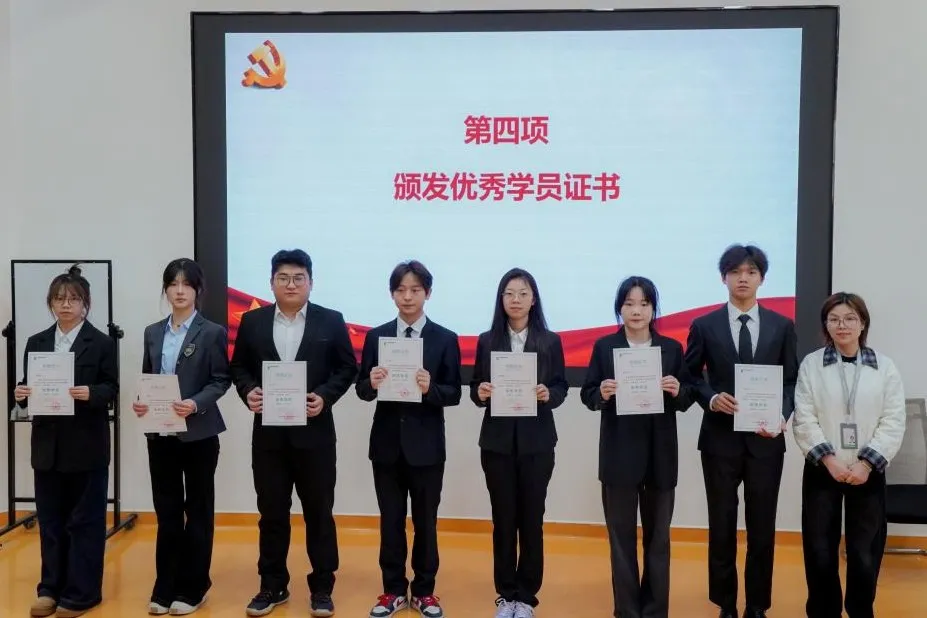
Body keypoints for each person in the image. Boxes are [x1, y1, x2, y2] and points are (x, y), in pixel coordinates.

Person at [230, 249, 358, 618]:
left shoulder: (330, 321)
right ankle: (272, 585)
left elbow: (347, 368)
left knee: (319, 512)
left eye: (298, 278)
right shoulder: (252, 321)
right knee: (271, 513)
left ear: (310, 283)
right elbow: (239, 367)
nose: (291, 284)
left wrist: (325, 397)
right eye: (283, 278)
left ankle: (322, 587)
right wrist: (248, 391)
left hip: (315, 437)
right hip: (269, 438)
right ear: (271, 283)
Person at [683, 244, 798, 618]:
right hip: (719, 441)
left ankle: (757, 605)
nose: (742, 278)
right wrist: (712, 398)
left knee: (762, 528)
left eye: (750, 272)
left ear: (762, 278)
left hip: (766, 441)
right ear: (724, 278)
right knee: (721, 525)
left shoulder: (782, 325)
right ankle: (726, 604)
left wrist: (782, 414)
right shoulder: (705, 325)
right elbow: (690, 377)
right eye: (735, 272)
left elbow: (791, 379)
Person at [581, 276, 693, 618]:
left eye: (644, 304)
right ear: (620, 308)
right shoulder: (605, 347)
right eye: (629, 304)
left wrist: (678, 389)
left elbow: (687, 396)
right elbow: (588, 394)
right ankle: (627, 610)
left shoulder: (671, 349)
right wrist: (601, 392)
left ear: (653, 309)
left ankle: (656, 610)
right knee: (621, 539)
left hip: (660, 456)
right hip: (619, 455)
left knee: (659, 539)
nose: (636, 311)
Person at [356, 260, 462, 618]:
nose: (407, 296)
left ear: (427, 293)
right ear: (392, 294)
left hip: (427, 447)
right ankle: (393, 590)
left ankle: (425, 591)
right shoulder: (377, 337)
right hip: (386, 445)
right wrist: (371, 382)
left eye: (415, 289)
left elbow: (454, 393)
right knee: (390, 521)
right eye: (400, 289)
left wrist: (431, 388)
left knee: (426, 522)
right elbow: (361, 390)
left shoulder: (444, 338)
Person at [14, 265, 118, 618]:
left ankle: (82, 592)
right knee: (51, 521)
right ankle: (49, 589)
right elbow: (28, 387)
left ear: (86, 303)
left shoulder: (101, 343)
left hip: (86, 445)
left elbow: (111, 388)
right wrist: (21, 393)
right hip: (47, 447)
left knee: (84, 522)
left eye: (73, 299)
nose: (66, 305)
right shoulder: (37, 342)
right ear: (50, 303)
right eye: (59, 299)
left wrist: (90, 392)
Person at [792, 293, 905, 618]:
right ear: (826, 325)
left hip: (867, 470)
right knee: (819, 548)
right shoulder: (812, 364)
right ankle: (823, 610)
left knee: (865, 550)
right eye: (834, 319)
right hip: (823, 468)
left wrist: (867, 463)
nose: (842, 325)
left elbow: (893, 419)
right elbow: (804, 416)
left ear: (863, 323)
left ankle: (860, 609)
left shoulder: (884, 367)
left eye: (850, 318)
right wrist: (829, 460)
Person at [131, 258, 231, 616]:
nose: (179, 290)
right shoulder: (152, 332)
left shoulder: (213, 332)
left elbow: (220, 380)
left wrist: (195, 403)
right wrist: (141, 403)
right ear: (166, 289)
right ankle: (165, 586)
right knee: (168, 511)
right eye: (173, 284)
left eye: (186, 284)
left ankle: (194, 586)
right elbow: (148, 378)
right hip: (160, 434)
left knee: (198, 511)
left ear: (197, 290)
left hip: (199, 434)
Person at [470, 268, 569, 618]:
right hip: (496, 444)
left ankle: (526, 596)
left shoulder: (550, 341)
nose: (516, 300)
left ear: (533, 299)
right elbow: (475, 388)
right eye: (509, 293)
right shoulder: (487, 340)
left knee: (531, 520)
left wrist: (547, 394)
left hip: (537, 444)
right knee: (503, 519)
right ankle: (506, 594)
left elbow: (561, 387)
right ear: (501, 299)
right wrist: (481, 392)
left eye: (523, 293)